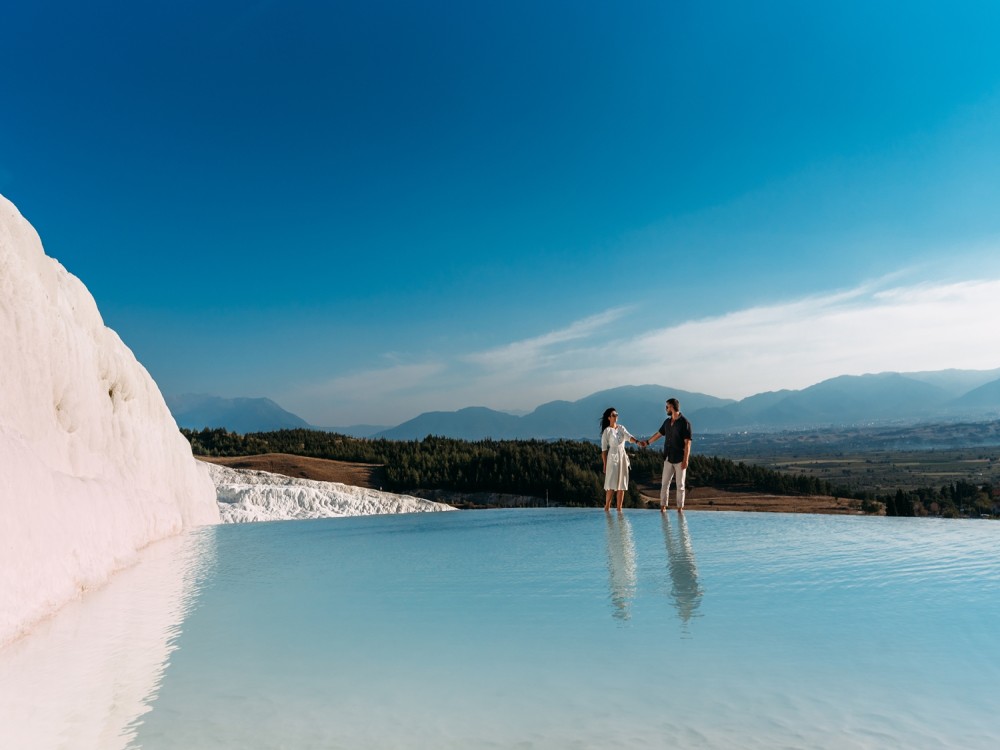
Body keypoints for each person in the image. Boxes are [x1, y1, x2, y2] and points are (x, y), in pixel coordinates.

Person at [640, 398, 692, 512]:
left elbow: (687, 443)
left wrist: (686, 460)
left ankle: (680, 509)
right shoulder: (667, 422)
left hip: (680, 459)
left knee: (680, 486)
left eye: (667, 407)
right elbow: (659, 434)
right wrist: (647, 442)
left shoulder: (685, 423)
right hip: (668, 458)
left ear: (672, 407)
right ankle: (663, 508)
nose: (666, 409)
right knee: (664, 484)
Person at [600, 407, 640, 512]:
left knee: (622, 484)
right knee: (611, 483)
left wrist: (637, 442)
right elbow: (604, 450)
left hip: (622, 456)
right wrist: (604, 464)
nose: (616, 416)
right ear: (609, 418)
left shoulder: (621, 428)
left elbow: (628, 436)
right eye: (613, 415)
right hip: (612, 457)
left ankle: (619, 509)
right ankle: (607, 507)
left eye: (616, 414)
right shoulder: (607, 431)